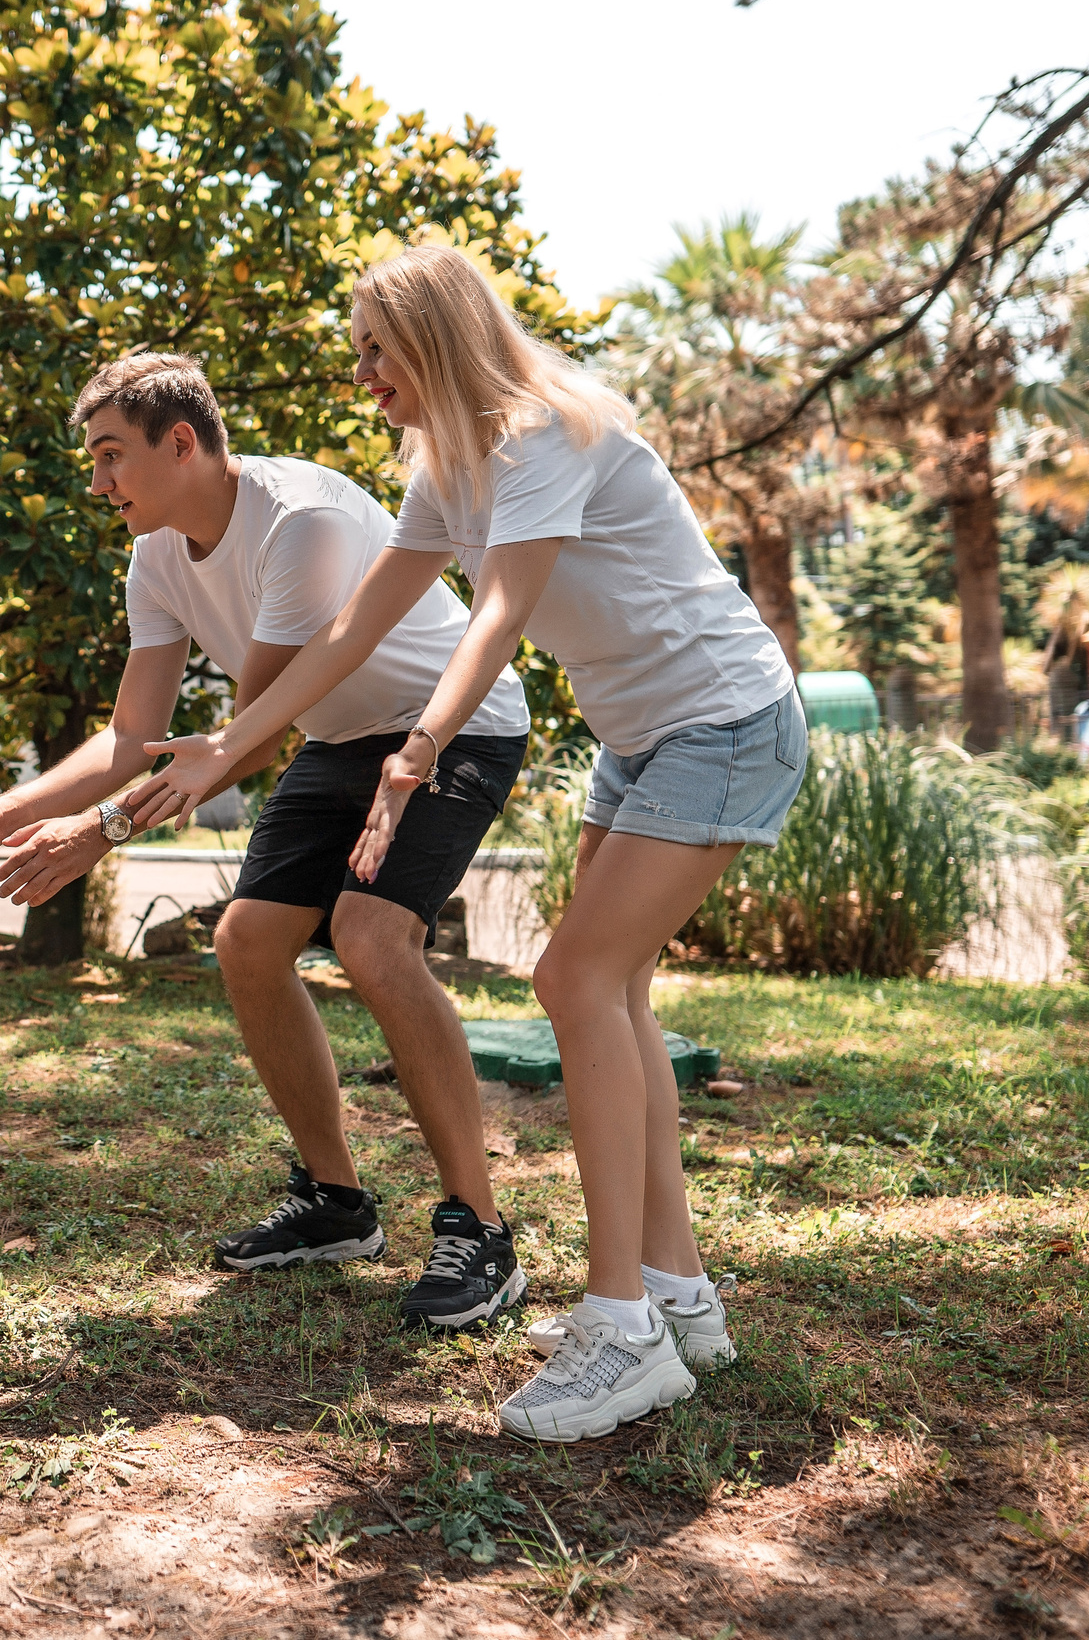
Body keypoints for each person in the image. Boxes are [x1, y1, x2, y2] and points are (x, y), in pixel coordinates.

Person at [134, 245, 803, 1442]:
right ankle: (675, 1295)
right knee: (620, 996)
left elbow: (497, 607)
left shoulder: (540, 434)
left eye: (376, 349)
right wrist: (229, 744)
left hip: (722, 721)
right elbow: (352, 631)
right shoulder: (446, 463)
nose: (364, 375)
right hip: (643, 735)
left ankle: (617, 1328)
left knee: (575, 980)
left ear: (435, 336)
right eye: (357, 354)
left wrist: (418, 745)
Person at [0, 353, 537, 1334]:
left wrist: (105, 829)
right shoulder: (155, 554)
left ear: (183, 442)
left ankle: (479, 1229)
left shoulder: (301, 521)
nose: (99, 482)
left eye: (113, 456)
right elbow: (131, 736)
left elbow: (244, 740)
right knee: (247, 941)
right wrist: (4, 811)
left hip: (449, 724)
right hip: (336, 734)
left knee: (371, 937)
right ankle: (336, 1206)